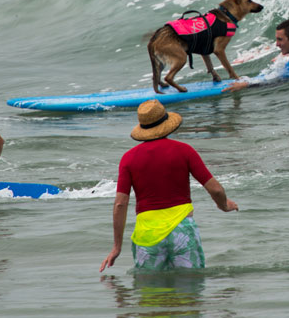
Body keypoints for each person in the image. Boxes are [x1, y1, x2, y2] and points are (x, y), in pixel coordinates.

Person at [99, 100, 238, 273]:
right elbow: (215, 189)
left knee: (151, 295)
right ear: (166, 124)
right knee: (190, 291)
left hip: (148, 235)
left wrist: (116, 247)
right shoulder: (184, 150)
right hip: (182, 230)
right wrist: (224, 205)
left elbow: (120, 203)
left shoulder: (128, 158)